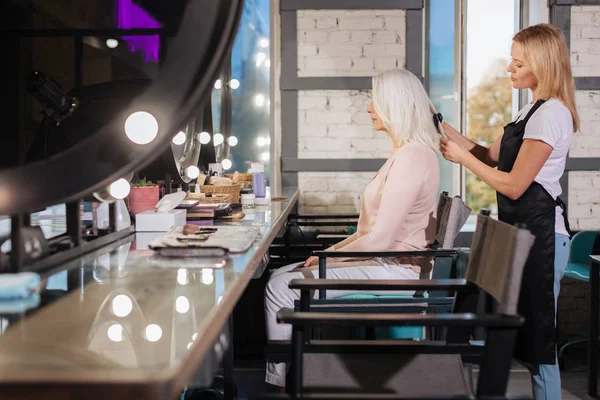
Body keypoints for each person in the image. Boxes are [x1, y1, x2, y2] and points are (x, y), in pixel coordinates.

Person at [264, 68, 442, 388]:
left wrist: (328, 259)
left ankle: (280, 382)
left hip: (395, 270)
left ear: (395, 105)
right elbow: (368, 233)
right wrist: (327, 254)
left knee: (280, 287)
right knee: (279, 276)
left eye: (375, 100)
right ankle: (288, 373)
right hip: (383, 261)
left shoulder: (412, 157)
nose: (369, 108)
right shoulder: (404, 153)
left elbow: (382, 239)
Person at [440, 23, 577, 399]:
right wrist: (446, 130)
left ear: (543, 65)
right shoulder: (529, 110)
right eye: (510, 62)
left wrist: (462, 160)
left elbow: (515, 183)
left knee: (538, 342)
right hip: (522, 234)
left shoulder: (552, 114)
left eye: (518, 64)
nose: (509, 70)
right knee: (524, 338)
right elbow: (490, 155)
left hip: (544, 238)